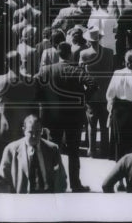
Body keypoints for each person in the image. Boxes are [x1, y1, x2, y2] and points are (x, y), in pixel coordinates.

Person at [37, 41, 94, 192]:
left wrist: (44, 101)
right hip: (74, 116)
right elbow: (92, 84)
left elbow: (36, 86)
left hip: (52, 117)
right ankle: (75, 184)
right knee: (74, 151)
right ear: (70, 54)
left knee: (52, 149)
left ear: (58, 54)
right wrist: (83, 99)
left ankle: (52, 182)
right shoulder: (76, 70)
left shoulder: (46, 70)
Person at [0, 50, 41, 160]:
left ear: (6, 63)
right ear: (21, 63)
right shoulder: (31, 82)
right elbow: (35, 107)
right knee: (23, 163)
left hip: (4, 130)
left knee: (4, 163)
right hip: (24, 130)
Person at [0, 114, 67, 193]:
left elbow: (61, 177)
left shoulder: (52, 149)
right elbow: (3, 180)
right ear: (24, 130)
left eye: (37, 132)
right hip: (22, 197)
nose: (34, 136)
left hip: (47, 196)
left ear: (41, 131)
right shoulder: (11, 150)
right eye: (30, 132)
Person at [78, 25, 114, 158]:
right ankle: (105, 149)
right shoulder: (109, 52)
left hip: (91, 93)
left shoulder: (84, 54)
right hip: (105, 92)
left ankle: (92, 149)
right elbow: (111, 70)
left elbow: (81, 73)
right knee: (104, 123)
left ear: (89, 40)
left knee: (91, 123)